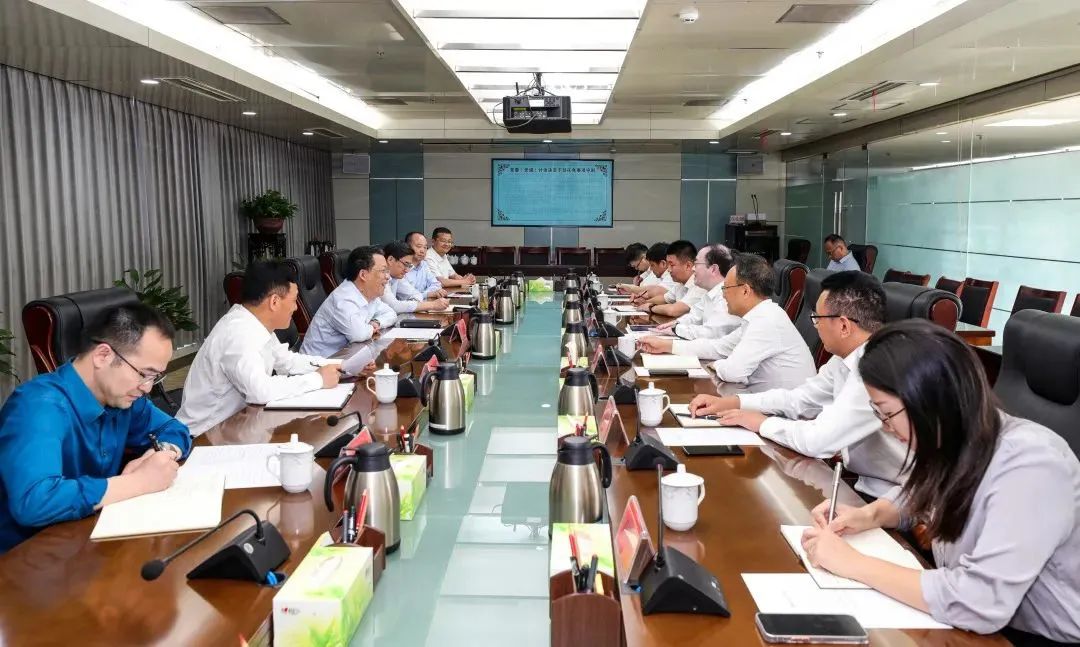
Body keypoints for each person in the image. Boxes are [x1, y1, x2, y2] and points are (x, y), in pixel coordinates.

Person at [801, 320, 1080, 645]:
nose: (887, 428)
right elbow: (923, 491)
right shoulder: (955, 436)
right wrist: (870, 514)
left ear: (931, 399)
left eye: (887, 414)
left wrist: (852, 563)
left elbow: (979, 602)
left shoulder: (1034, 465)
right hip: (969, 621)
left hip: (1037, 636)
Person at [688, 271, 907, 497]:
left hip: (893, 499)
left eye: (818, 319)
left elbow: (817, 440)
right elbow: (799, 399)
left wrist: (762, 422)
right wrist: (735, 402)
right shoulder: (846, 358)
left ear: (844, 326)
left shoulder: (876, 370)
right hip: (864, 485)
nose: (816, 326)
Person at [0, 304, 192, 552]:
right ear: (103, 355)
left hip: (88, 537)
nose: (147, 387)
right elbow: (34, 501)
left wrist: (160, 454)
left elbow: (174, 429)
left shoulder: (124, 398)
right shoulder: (37, 408)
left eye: (155, 377)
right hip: (25, 556)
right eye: (144, 374)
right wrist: (139, 482)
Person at [177, 261, 342, 436]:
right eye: (294, 300)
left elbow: (287, 362)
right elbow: (260, 391)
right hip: (202, 436)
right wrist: (317, 379)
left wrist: (341, 365)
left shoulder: (255, 323)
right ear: (274, 301)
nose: (295, 308)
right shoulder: (238, 333)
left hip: (235, 427)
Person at [639, 254, 815, 391]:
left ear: (745, 291)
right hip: (762, 401)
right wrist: (666, 346)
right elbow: (719, 347)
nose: (723, 294)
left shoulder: (767, 320)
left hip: (784, 415)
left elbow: (733, 372)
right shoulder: (758, 317)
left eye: (726, 288)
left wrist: (717, 364)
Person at [301, 246, 397, 357]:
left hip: (346, 358)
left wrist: (376, 322)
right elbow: (359, 334)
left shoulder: (369, 294)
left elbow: (391, 314)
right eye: (383, 271)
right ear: (363, 275)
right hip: (318, 363)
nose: (388, 277)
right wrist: (371, 328)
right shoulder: (343, 299)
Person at [653, 244, 741, 340]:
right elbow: (694, 316)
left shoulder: (728, 294)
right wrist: (675, 324)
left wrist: (676, 329)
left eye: (696, 264)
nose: (693, 269)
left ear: (713, 269)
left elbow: (711, 333)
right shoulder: (709, 292)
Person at [634, 240, 704, 317]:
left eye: (672, 265)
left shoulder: (699, 284)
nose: (668, 269)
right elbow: (665, 298)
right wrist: (644, 302)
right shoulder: (680, 283)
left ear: (688, 266)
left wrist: (651, 307)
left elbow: (673, 310)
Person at [380, 241, 451, 314]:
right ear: (390, 260)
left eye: (409, 266)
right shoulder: (380, 277)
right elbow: (394, 306)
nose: (407, 270)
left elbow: (416, 294)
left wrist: (413, 304)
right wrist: (432, 305)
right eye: (405, 264)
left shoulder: (396, 276)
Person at [403, 232, 447, 298]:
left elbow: (436, 284)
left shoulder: (424, 264)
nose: (422, 251)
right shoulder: (402, 267)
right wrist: (428, 294)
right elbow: (406, 295)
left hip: (423, 302)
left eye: (425, 247)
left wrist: (427, 293)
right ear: (407, 247)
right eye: (419, 246)